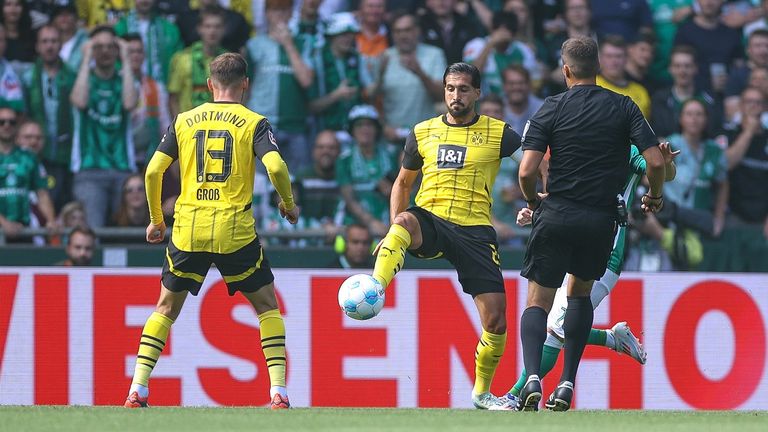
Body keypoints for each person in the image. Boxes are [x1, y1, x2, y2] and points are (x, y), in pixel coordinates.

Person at [124, 53, 300, 410]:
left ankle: (137, 389)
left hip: (189, 228)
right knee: (267, 306)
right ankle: (278, 392)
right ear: (245, 84)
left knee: (165, 308)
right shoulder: (254, 122)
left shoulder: (184, 120)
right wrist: (288, 203)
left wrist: (158, 220)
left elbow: (153, 172)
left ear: (209, 85)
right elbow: (276, 166)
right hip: (234, 230)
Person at [515, 36, 666, 411]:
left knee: (538, 303)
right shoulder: (624, 106)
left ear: (565, 70)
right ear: (597, 68)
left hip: (557, 214)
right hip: (599, 220)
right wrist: (655, 196)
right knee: (580, 296)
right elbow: (657, 163)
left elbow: (527, 170)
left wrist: (534, 202)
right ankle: (566, 383)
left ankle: (533, 375)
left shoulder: (550, 108)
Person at [367, 62, 522, 410]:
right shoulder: (422, 132)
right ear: (443, 91)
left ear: (477, 93)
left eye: (464, 89)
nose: (456, 95)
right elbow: (403, 183)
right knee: (406, 220)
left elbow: (538, 161)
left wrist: (537, 195)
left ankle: (481, 393)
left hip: (475, 231)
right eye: (450, 88)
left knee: (496, 321)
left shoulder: (500, 133)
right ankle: (376, 288)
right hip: (432, 220)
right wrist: (394, 227)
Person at [500, 141, 679, 408]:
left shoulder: (627, 150)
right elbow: (571, 196)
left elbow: (661, 170)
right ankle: (611, 339)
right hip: (569, 242)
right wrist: (538, 209)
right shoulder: (578, 144)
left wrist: (667, 163)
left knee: (556, 328)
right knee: (559, 324)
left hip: (606, 251)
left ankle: (515, 395)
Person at [70, 26, 138, 228]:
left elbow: (129, 103)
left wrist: (126, 59)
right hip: (89, 170)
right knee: (93, 230)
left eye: (110, 46)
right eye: (98, 47)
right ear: (90, 50)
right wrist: (85, 59)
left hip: (123, 168)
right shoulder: (84, 79)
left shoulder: (123, 80)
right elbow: (79, 101)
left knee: (126, 232)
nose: (105, 51)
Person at [21, 24, 76, 211]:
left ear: (61, 45)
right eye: (44, 42)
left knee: (63, 201)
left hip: (66, 152)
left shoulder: (72, 76)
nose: (49, 46)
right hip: (36, 150)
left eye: (54, 41)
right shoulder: (28, 77)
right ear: (37, 46)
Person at [0, 107, 55, 241]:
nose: (7, 125)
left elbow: (41, 193)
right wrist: (4, 223)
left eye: (11, 122)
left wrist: (51, 220)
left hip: (24, 228)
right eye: (1, 122)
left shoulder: (29, 157)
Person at [167, 5, 226, 117]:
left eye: (217, 26)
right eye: (208, 26)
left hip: (220, 128)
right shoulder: (182, 58)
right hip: (188, 128)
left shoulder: (229, 60)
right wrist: (178, 129)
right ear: (199, 28)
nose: (212, 31)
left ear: (224, 29)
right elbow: (173, 99)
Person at [114, 0, 183, 85]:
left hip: (161, 91)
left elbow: (178, 65)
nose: (145, 1)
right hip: (125, 88)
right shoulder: (120, 29)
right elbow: (113, 63)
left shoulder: (170, 30)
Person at [596, 35, 652, 119]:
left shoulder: (641, 92)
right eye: (609, 56)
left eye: (618, 56)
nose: (614, 61)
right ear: (599, 59)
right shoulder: (591, 85)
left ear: (626, 59)